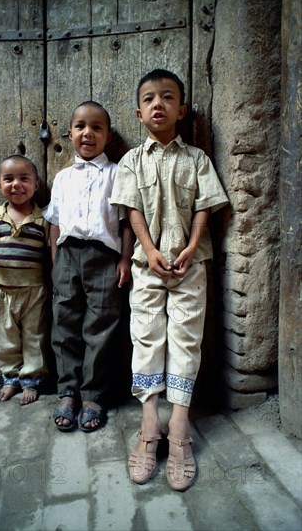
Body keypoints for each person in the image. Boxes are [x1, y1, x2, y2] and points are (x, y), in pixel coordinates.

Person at [110, 69, 229, 490]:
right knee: (147, 334)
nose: (158, 104)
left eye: (167, 97)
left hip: (189, 264)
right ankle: (149, 426)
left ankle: (178, 429)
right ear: (139, 112)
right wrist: (152, 250)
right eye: (149, 99)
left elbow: (204, 207)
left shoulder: (196, 159)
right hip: (147, 263)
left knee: (185, 335)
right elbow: (131, 210)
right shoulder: (130, 161)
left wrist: (192, 246)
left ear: (181, 109)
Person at [43, 101, 133, 432]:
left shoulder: (117, 175)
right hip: (67, 255)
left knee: (101, 325)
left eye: (97, 127)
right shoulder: (63, 177)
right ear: (69, 133)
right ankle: (67, 392)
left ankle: (93, 394)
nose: (88, 133)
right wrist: (55, 259)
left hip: (104, 258)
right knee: (64, 322)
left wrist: (124, 259)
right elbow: (54, 222)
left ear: (108, 136)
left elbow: (126, 222)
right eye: (81, 126)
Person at [0, 155, 50, 405]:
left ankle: (31, 379)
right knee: (4, 337)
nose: (16, 184)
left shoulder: (42, 220)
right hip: (2, 289)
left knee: (33, 337)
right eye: (9, 179)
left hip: (33, 291)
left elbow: (50, 255)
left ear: (36, 185)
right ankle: (11, 378)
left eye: (24, 179)